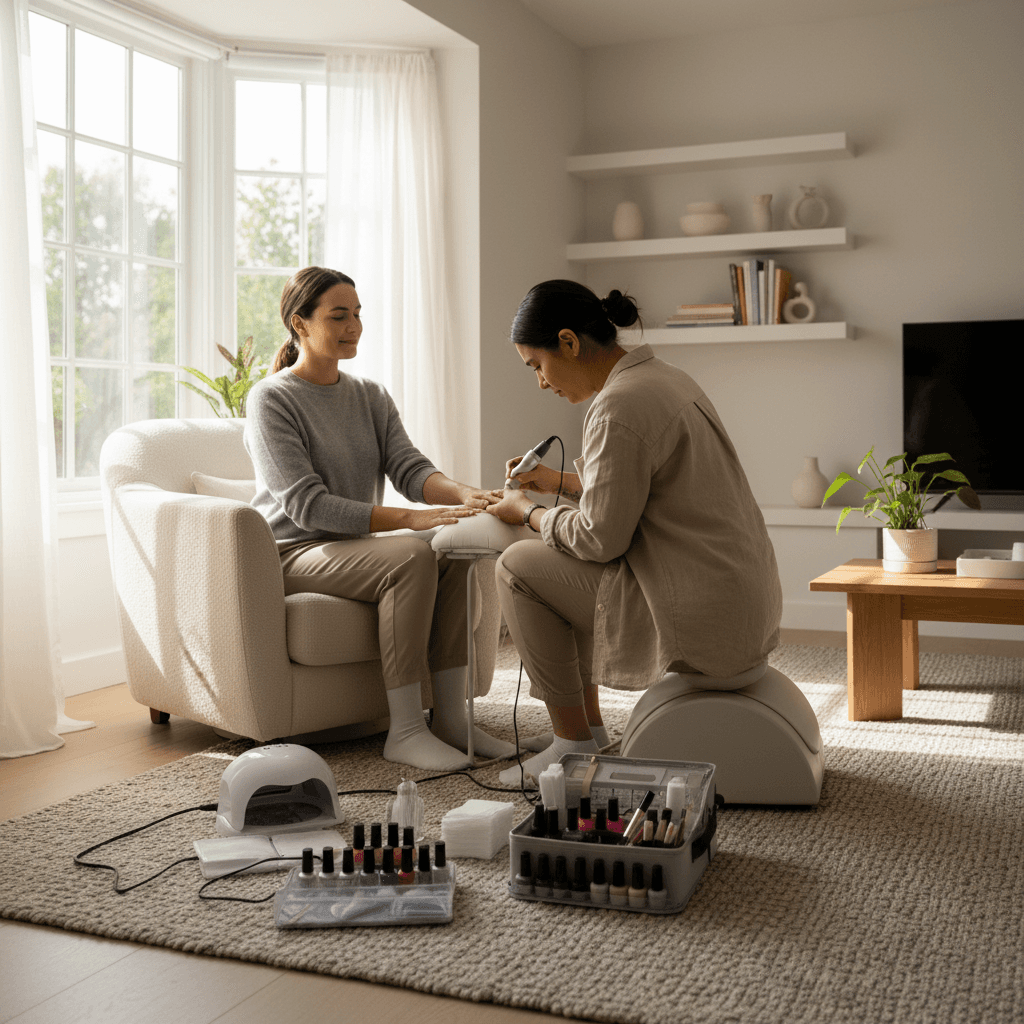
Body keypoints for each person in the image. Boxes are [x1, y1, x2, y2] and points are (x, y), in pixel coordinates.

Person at [484, 280, 783, 785]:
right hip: (741, 602)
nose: (540, 382)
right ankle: (589, 733)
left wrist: (528, 511)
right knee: (563, 564)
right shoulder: (665, 379)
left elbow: (601, 538)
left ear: (570, 343)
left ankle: (572, 744)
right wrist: (558, 483)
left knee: (518, 568)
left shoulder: (618, 405)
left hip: (700, 615)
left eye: (537, 365)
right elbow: (641, 493)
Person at [244, 266, 515, 771]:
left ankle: (451, 719)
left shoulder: (369, 395)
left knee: (451, 550)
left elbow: (409, 468)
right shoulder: (272, 399)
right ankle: (406, 730)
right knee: (415, 552)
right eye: (338, 315)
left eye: (358, 313)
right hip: (298, 550)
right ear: (299, 324)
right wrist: (413, 522)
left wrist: (466, 495)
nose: (354, 326)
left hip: (354, 548)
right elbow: (308, 506)